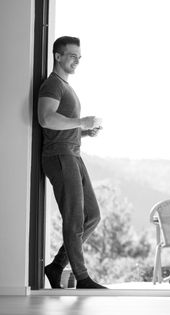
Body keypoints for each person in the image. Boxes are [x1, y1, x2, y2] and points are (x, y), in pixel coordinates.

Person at [38, 36, 106, 289]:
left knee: (92, 216)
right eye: (72, 55)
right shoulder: (52, 85)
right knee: (75, 218)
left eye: (79, 56)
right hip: (60, 156)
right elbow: (46, 119)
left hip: (73, 153)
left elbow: (60, 124)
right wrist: (80, 122)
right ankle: (82, 277)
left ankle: (56, 267)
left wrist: (84, 132)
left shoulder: (66, 86)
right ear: (58, 56)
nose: (77, 60)